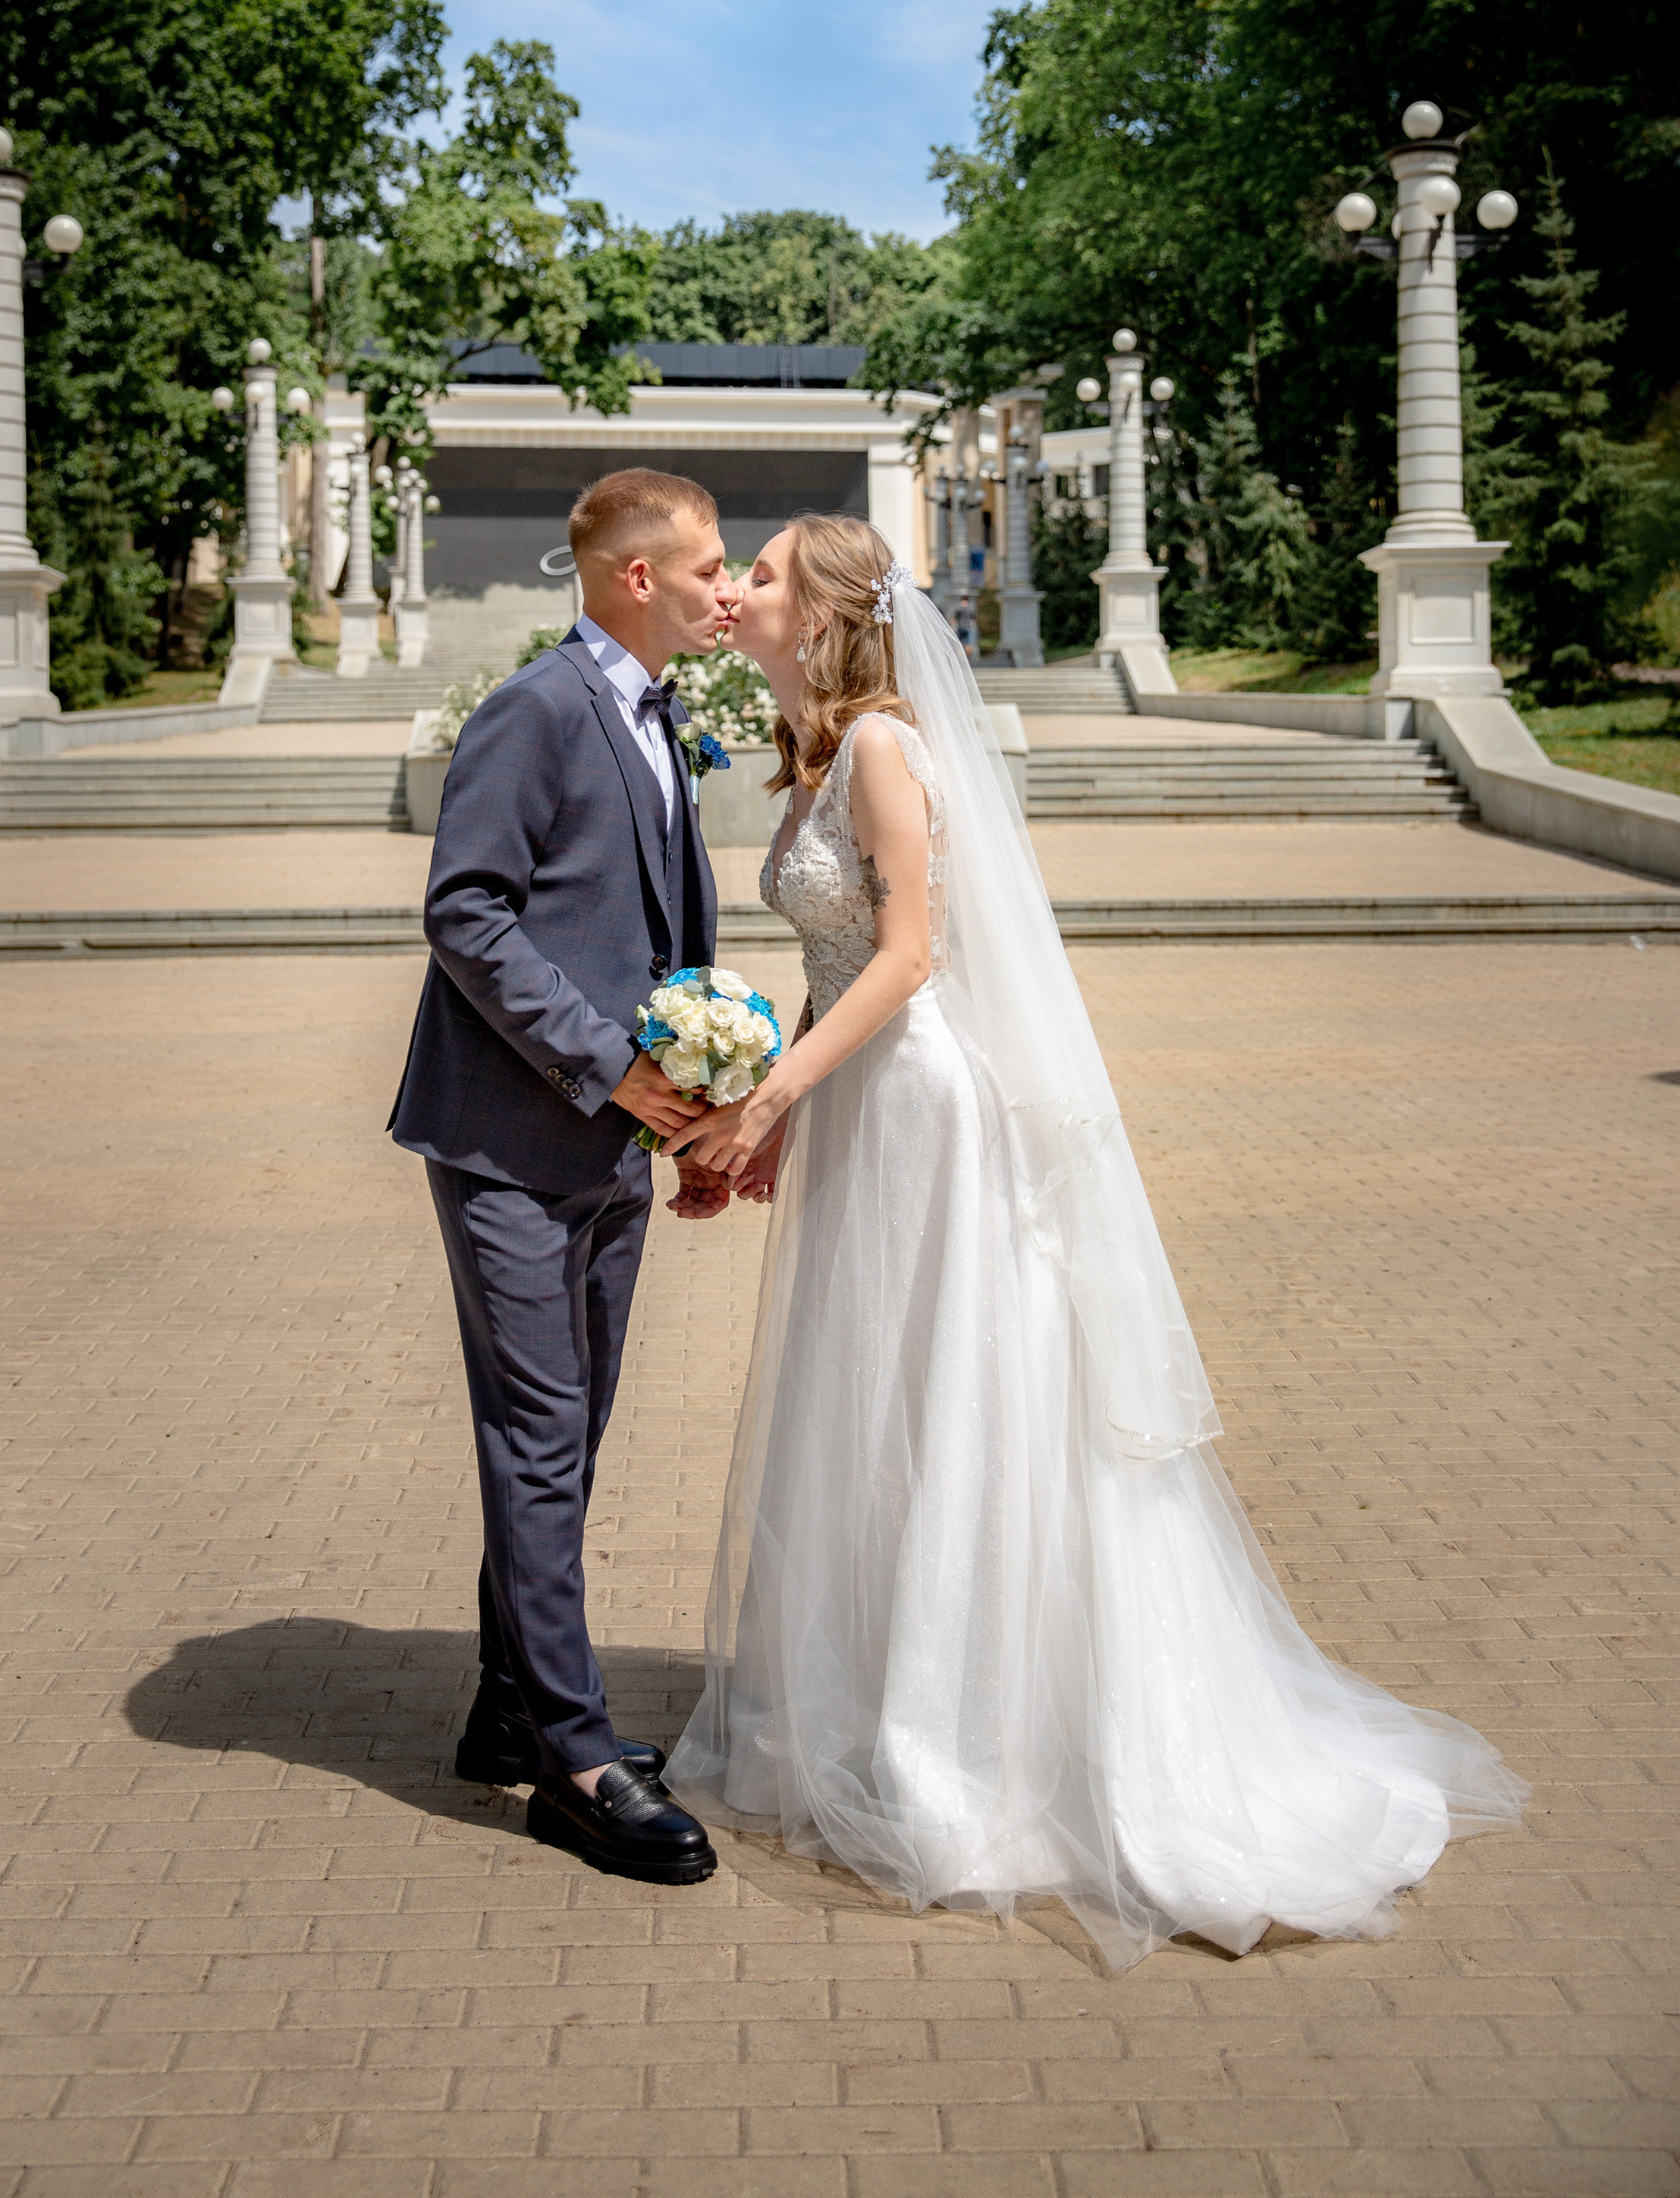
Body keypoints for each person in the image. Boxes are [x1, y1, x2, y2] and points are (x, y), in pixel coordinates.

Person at [664, 513, 1526, 1965]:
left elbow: (911, 955)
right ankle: (890, 1697)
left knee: (946, 1400)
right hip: (861, 1103)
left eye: (757, 572)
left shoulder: (881, 747)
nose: (735, 588)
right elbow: (836, 960)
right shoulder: (817, 751)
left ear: (816, 614)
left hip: (926, 1107)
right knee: (874, 1407)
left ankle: (966, 1738)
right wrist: (792, 1114)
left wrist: (776, 1099)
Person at [391, 468, 735, 1887]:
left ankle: (505, 1707)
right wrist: (608, 1067)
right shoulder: (535, 709)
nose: (732, 584)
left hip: (613, 1142)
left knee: (570, 1432)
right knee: (542, 1435)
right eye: (711, 566)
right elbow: (462, 910)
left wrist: (690, 1101)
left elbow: (650, 928)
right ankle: (578, 1761)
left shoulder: (660, 716)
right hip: (513, 1142)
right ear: (636, 579)